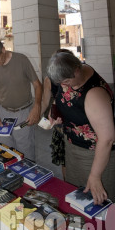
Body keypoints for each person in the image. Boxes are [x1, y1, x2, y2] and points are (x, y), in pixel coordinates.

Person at [46, 52, 115, 204]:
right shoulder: (69, 77)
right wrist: (55, 110)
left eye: (66, 81)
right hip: (73, 146)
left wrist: (95, 176)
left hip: (96, 154)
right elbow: (62, 97)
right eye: (60, 83)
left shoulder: (94, 93)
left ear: (76, 70)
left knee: (96, 204)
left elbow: (107, 139)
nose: (63, 86)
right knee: (76, 199)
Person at [0, 39, 42, 160]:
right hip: (2, 112)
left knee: (26, 153)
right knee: (4, 152)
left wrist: (37, 106)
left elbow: (37, 85)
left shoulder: (21, 60)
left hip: (23, 113)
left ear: (3, 50)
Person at [40, 49, 75, 180]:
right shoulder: (49, 79)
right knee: (64, 158)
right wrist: (36, 116)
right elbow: (44, 101)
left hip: (78, 124)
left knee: (78, 158)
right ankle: (68, 184)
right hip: (60, 124)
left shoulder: (76, 77)